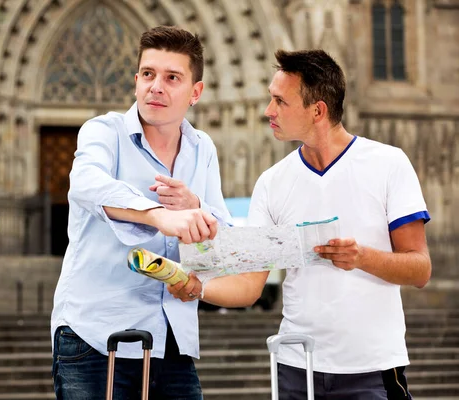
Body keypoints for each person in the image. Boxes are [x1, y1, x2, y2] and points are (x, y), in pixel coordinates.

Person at [169, 49, 431, 399]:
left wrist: (362, 257)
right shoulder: (272, 182)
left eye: (280, 101)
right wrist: (197, 287)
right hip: (296, 366)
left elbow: (420, 269)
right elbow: (250, 285)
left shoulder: (388, 164)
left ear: (318, 110)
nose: (268, 111)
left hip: (371, 370)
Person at [50, 25, 231, 400]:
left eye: (172, 77)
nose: (156, 86)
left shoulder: (203, 149)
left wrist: (196, 208)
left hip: (171, 342)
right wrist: (157, 215)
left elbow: (225, 232)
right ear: (136, 81)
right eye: (148, 74)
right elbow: (85, 182)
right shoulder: (104, 132)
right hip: (96, 340)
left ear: (195, 92)